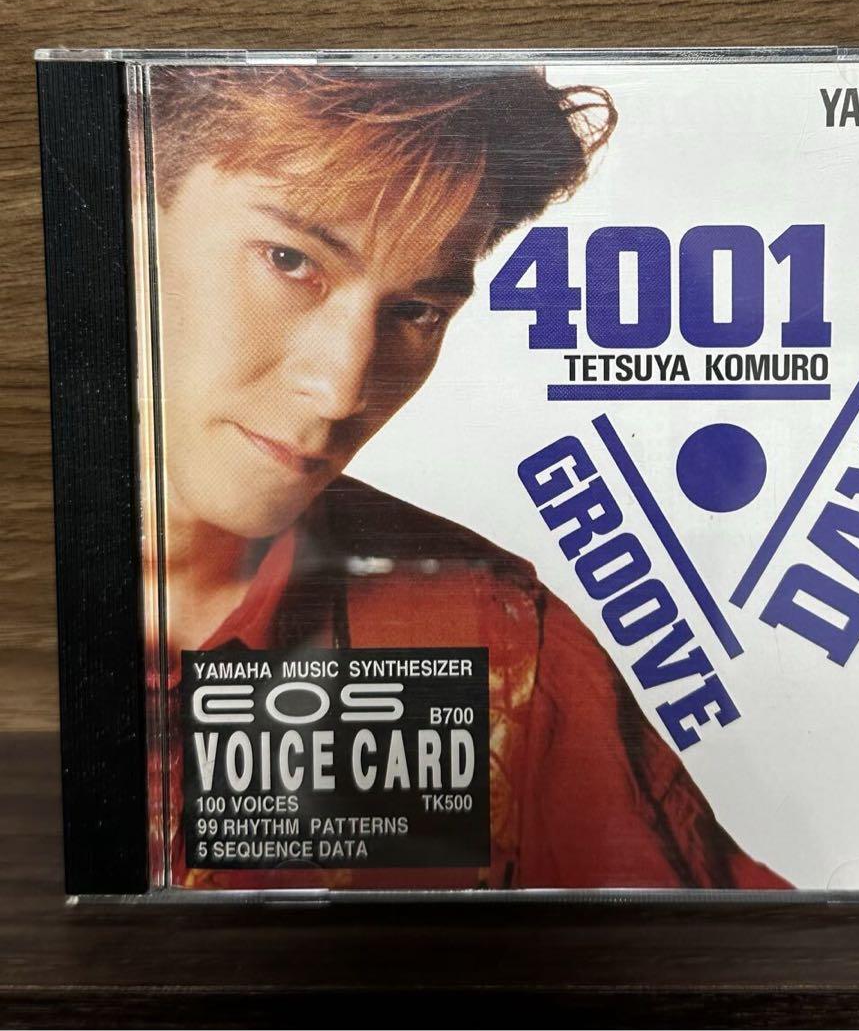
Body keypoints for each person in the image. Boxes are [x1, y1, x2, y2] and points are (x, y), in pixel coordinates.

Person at [147, 64, 787, 891]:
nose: (343, 390)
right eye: (289, 259)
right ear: (129, 208)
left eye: (418, 311)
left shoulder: (489, 639)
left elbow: (726, 951)